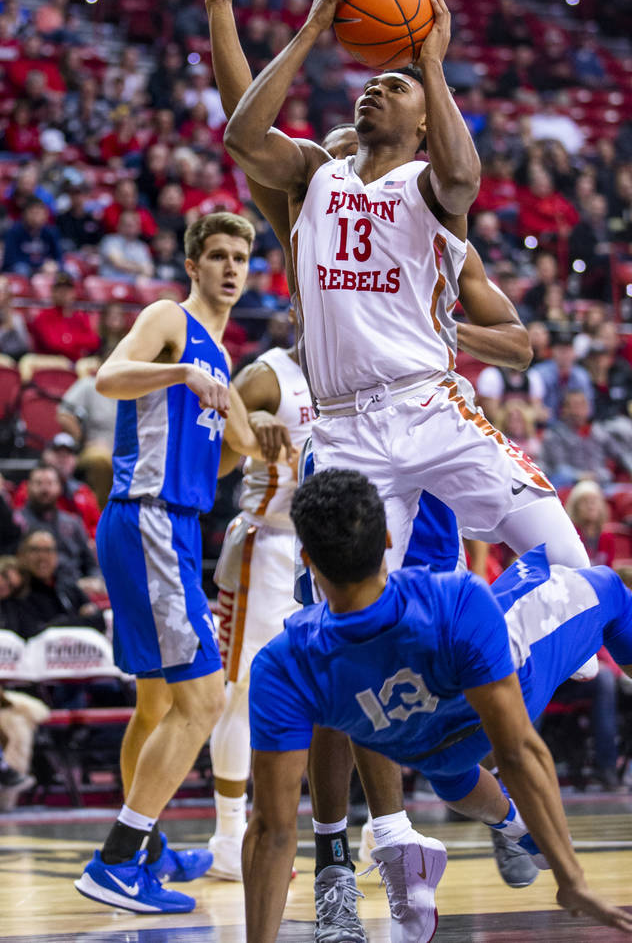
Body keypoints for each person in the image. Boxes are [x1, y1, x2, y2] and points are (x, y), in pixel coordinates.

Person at [183, 0, 589, 936]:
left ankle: (493, 729)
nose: (374, 89)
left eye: (391, 84)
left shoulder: (430, 188)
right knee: (333, 646)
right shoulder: (310, 179)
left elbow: (463, 175)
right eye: (375, 78)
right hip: (350, 434)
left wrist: (431, 63)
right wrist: (251, 16)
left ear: (416, 114)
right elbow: (239, 130)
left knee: (572, 560)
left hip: (433, 408)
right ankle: (347, 844)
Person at [244, 468, 632, 943]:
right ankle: (519, 829)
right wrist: (572, 880)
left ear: (305, 559)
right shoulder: (455, 600)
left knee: (449, 769)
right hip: (502, 688)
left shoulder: (281, 666)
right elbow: (518, 754)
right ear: (389, 536)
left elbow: (271, 831)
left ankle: (514, 827)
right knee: (610, 590)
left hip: (430, 751)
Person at [74, 211, 292, 915]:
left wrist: (252, 440)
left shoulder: (224, 363)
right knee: (204, 700)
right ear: (193, 264)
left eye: (242, 258)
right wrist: (179, 371)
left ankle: (148, 848)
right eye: (219, 255)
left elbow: (226, 460)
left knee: (159, 705)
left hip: (170, 527)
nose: (232, 268)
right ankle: (116, 860)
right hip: (149, 518)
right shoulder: (170, 319)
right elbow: (109, 378)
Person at [207, 332, 314, 880]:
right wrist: (247, 432)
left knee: (327, 695)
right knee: (243, 693)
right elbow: (216, 463)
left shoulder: (359, 369)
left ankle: (358, 831)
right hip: (269, 546)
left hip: (330, 550)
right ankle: (229, 836)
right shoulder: (268, 375)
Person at [30, 271, 101, 363]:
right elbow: (53, 344)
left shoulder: (80, 316)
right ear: (53, 292)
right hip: (51, 363)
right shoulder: (43, 316)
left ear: (73, 293)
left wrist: (68, 339)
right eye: (59, 289)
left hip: (76, 363)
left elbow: (94, 342)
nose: (63, 293)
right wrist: (77, 346)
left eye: (67, 289)